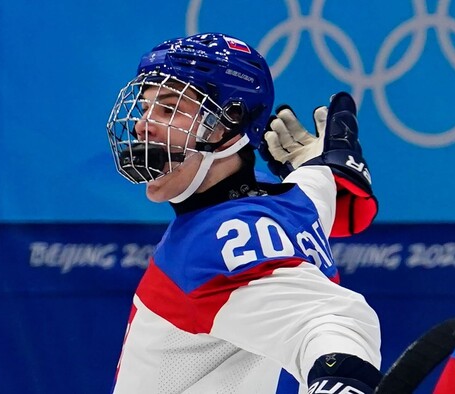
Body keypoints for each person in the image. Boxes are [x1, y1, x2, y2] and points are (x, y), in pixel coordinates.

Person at [106, 32, 382, 393]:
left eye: (170, 109)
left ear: (227, 122)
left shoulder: (218, 242)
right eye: (145, 108)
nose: (143, 125)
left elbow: (330, 321)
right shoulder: (286, 204)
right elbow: (311, 199)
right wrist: (323, 172)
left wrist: (342, 377)